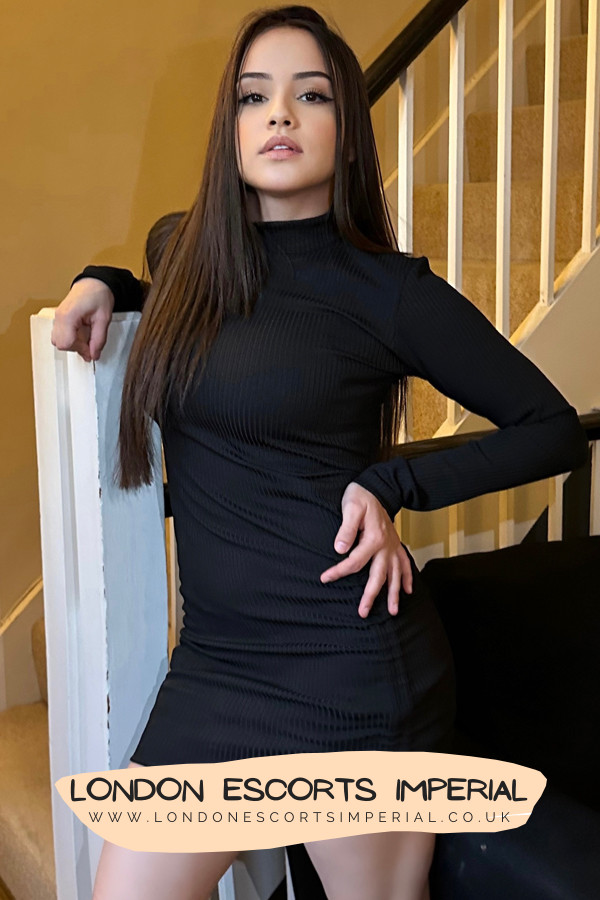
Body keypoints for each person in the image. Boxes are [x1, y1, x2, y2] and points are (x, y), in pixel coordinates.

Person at [50, 5, 589, 899]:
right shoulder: (182, 252)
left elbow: (552, 427)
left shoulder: (390, 292)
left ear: (347, 130)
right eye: (253, 97)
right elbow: (175, 305)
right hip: (219, 669)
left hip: (351, 673)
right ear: (229, 127)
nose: (279, 115)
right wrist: (104, 282)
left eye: (312, 95)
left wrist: (393, 481)